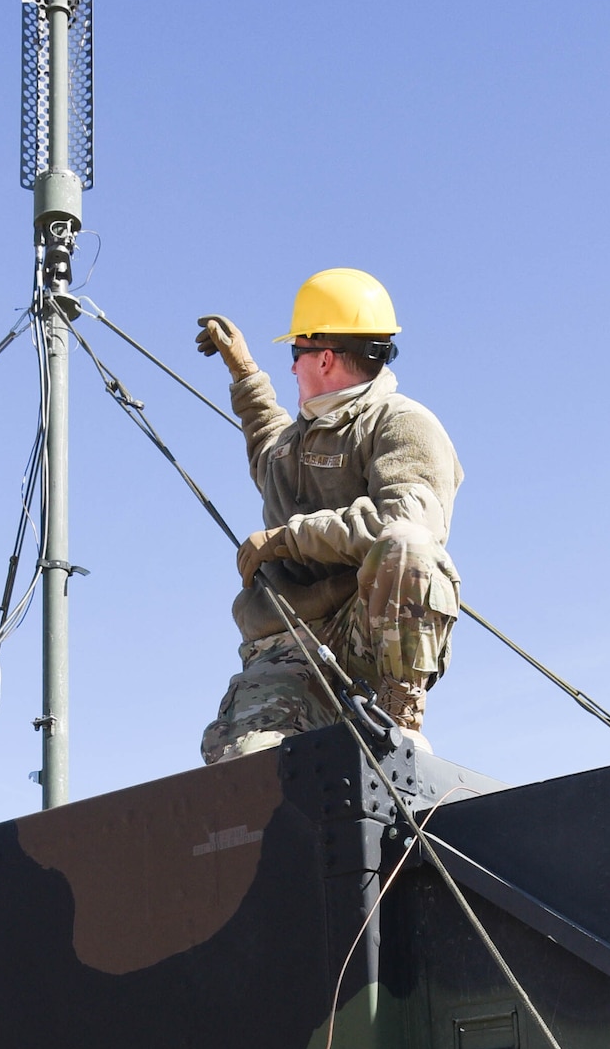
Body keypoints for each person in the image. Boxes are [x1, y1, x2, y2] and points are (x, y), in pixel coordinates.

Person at [195, 268, 463, 762]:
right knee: (243, 770)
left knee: (409, 547)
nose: (292, 369)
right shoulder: (291, 445)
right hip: (287, 643)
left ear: (323, 356)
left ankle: (397, 712)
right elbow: (265, 437)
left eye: (294, 354)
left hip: (365, 633)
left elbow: (409, 522)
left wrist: (285, 539)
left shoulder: (402, 424)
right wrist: (244, 372)